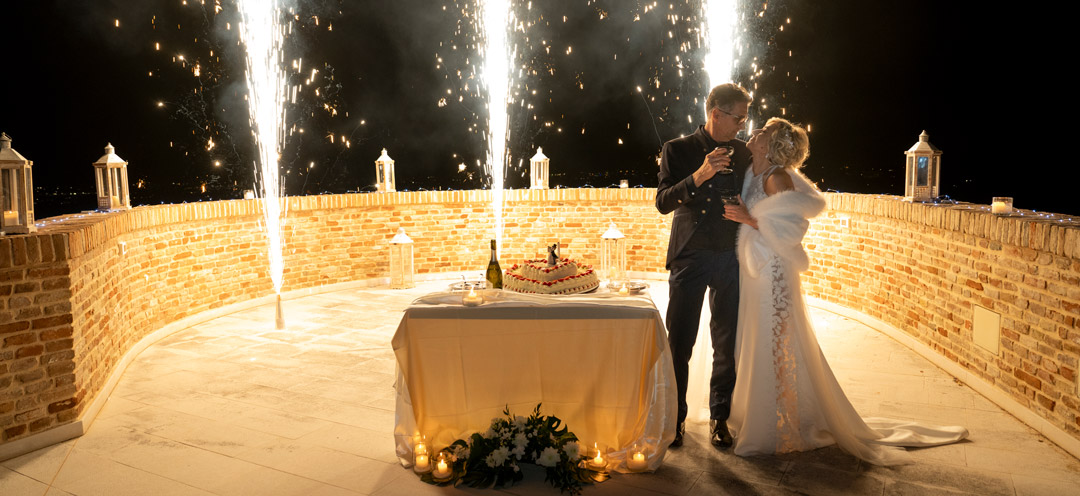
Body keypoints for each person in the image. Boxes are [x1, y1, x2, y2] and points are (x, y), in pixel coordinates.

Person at [722, 117, 967, 465]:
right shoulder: (752, 173)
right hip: (754, 270)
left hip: (773, 271)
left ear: (769, 145)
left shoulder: (776, 178)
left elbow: (792, 229)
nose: (755, 133)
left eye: (763, 131)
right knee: (755, 338)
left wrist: (748, 219)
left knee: (775, 341)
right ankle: (755, 413)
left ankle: (780, 425)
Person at [655, 83, 752, 448]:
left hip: (730, 256)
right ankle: (675, 420)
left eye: (744, 119)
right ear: (716, 113)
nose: (741, 126)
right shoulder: (677, 149)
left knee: (726, 343)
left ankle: (719, 419)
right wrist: (699, 175)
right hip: (690, 257)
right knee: (680, 342)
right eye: (738, 118)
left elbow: (760, 195)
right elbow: (663, 202)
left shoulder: (744, 153)